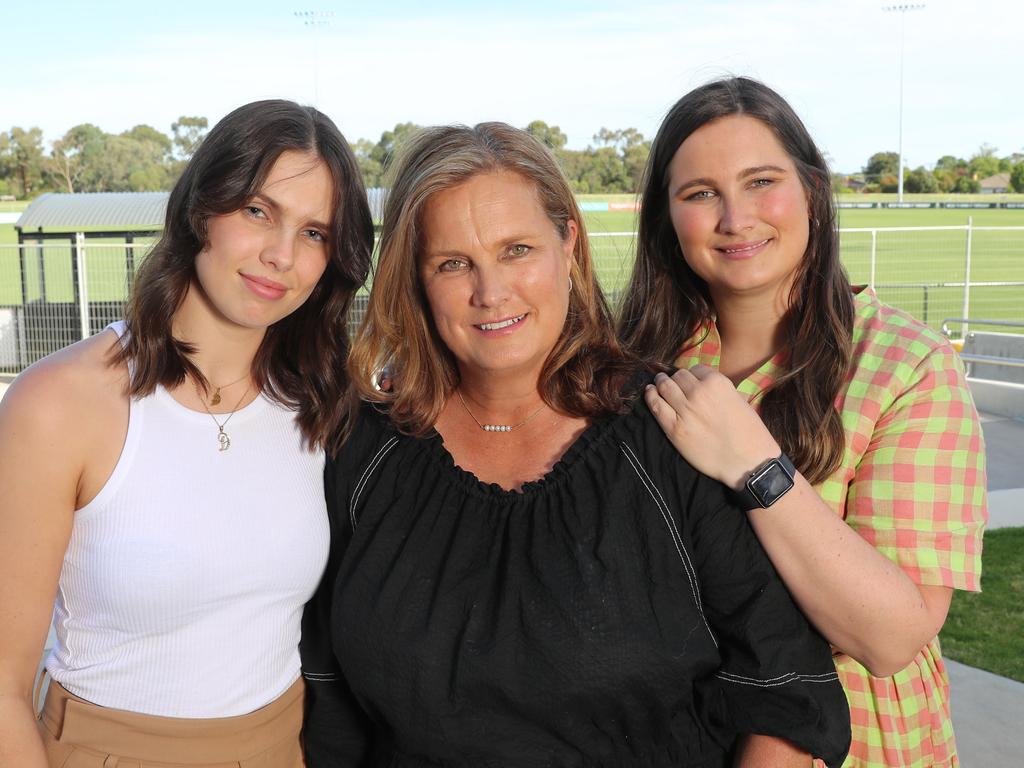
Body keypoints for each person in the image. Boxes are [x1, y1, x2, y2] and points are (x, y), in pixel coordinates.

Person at [300, 121, 851, 767]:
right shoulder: (360, 452)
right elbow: (326, 700)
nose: (490, 292)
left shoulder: (674, 431)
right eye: (453, 263)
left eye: (516, 250)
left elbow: (783, 692)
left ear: (568, 244)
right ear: (415, 278)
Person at [618, 77, 987, 768]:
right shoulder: (636, 367)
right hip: (680, 737)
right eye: (700, 193)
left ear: (812, 190)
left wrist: (757, 468)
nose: (736, 217)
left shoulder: (905, 365)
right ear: (667, 216)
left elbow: (890, 638)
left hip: (862, 748)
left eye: (761, 181)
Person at [0, 99, 373, 767]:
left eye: (315, 233)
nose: (280, 255)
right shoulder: (62, 403)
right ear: (202, 207)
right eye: (258, 211)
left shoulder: (325, 401)